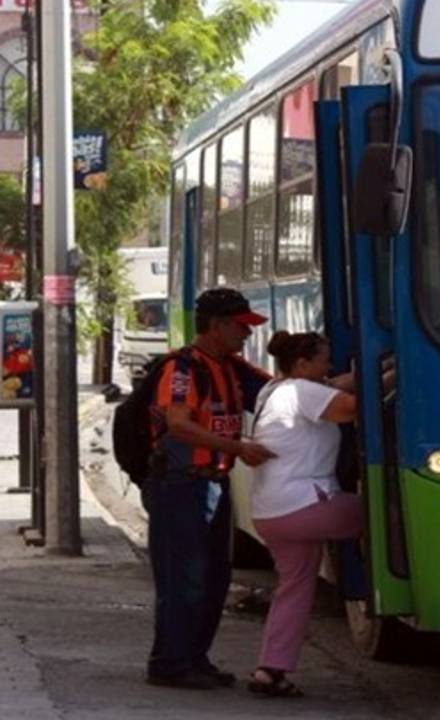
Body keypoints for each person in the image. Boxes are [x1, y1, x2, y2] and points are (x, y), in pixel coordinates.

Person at [143, 287, 275, 689]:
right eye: (241, 327)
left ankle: (194, 659)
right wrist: (238, 448)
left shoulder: (234, 369)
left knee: (215, 577)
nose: (247, 335)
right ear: (216, 326)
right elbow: (179, 423)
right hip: (179, 487)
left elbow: (285, 392)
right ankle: (170, 664)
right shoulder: (182, 370)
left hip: (214, 485)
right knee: (184, 577)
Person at [246, 330, 364, 697]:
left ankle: (270, 670)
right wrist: (392, 375)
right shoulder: (302, 391)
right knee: (391, 514)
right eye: (323, 359)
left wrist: (381, 368)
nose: (329, 367)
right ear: (301, 364)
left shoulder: (275, 389)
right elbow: (350, 407)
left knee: (294, 588)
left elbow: (335, 385)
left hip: (270, 512)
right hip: (305, 505)